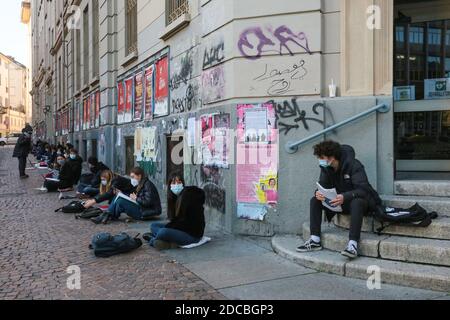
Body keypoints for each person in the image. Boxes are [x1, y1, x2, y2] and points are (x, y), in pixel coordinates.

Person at [296, 140, 382, 259]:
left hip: (357, 202)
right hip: (337, 202)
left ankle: (353, 245)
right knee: (314, 200)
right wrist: (318, 193)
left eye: (322, 157)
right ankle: (315, 240)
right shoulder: (326, 167)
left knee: (357, 202)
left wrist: (345, 196)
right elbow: (323, 186)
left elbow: (363, 190)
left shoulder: (354, 165)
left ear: (331, 158)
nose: (320, 160)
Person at [142, 173, 206, 250]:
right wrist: (171, 227)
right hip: (180, 229)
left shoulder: (189, 197)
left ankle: (153, 240)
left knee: (163, 232)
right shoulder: (174, 197)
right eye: (173, 183)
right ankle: (164, 241)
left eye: (179, 182)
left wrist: (170, 228)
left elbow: (186, 224)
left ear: (183, 183)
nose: (176, 185)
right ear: (169, 185)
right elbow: (175, 221)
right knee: (154, 225)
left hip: (192, 234)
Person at [92, 167, 162, 224]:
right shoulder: (140, 184)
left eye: (133, 177)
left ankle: (106, 215)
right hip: (141, 208)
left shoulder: (148, 185)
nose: (131, 179)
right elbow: (134, 195)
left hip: (146, 212)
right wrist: (123, 193)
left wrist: (136, 198)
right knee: (118, 197)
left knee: (120, 201)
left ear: (139, 176)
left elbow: (148, 202)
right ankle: (108, 215)